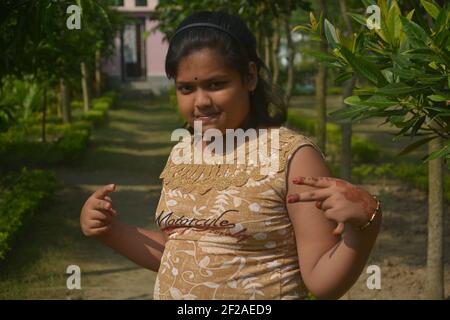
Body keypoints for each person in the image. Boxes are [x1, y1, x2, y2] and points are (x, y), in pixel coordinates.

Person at [80, 11, 382, 300]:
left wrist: (366, 226)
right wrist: (111, 231)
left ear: (249, 77)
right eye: (186, 88)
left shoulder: (291, 157)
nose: (201, 101)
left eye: (216, 84)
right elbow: (179, 251)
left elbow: (321, 279)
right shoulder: (183, 153)